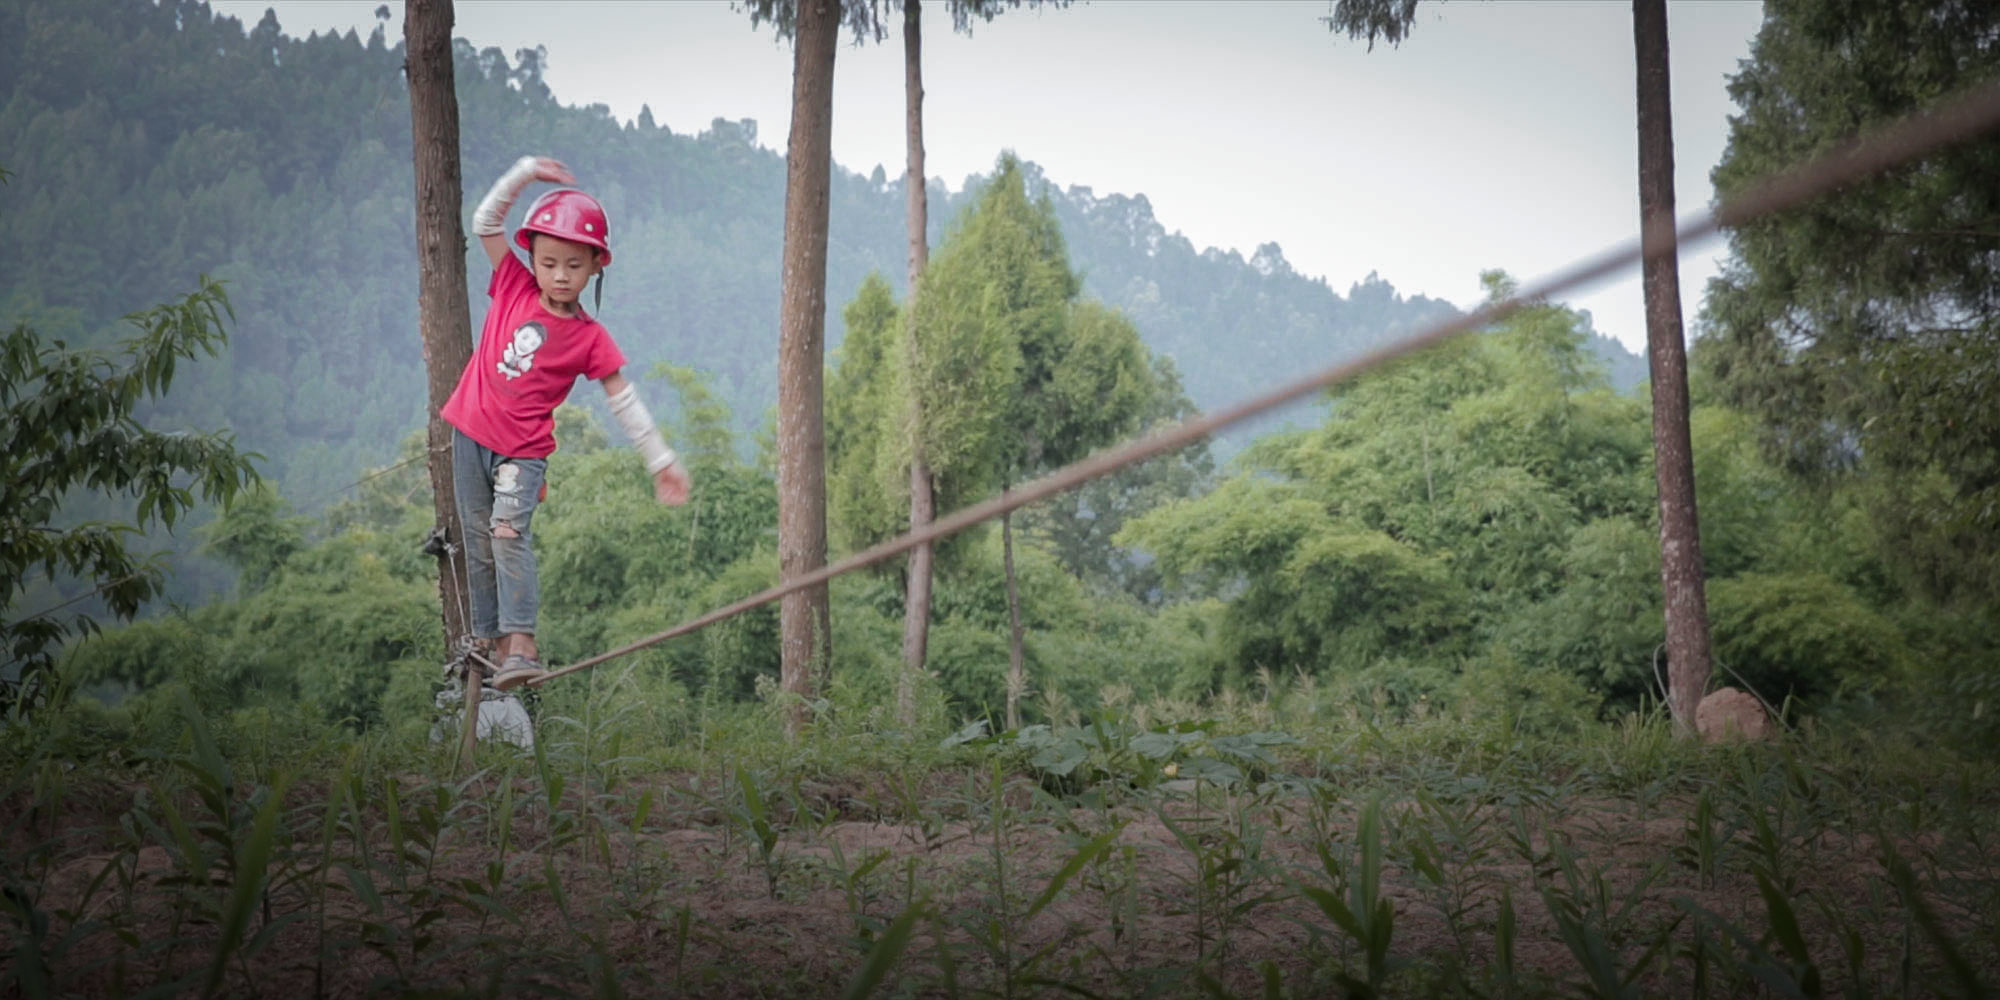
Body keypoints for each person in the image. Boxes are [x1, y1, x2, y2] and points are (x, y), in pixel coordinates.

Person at [442, 155, 691, 691]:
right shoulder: (512, 282)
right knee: (478, 542)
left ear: (596, 266)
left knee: (509, 534)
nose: (559, 274)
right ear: (532, 255)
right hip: (468, 434)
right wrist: (525, 172)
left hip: (523, 454)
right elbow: (485, 222)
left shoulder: (590, 337)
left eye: (573, 266)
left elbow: (623, 400)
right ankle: (490, 645)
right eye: (550, 261)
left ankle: (523, 645)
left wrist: (661, 460)